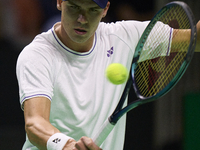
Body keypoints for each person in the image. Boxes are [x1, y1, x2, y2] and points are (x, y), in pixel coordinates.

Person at [16, 0, 200, 150]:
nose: (82, 18)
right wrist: (66, 145)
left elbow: (195, 40)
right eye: (74, 7)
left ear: (105, 9)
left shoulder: (125, 37)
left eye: (93, 10)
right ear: (59, 2)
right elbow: (35, 123)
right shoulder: (37, 55)